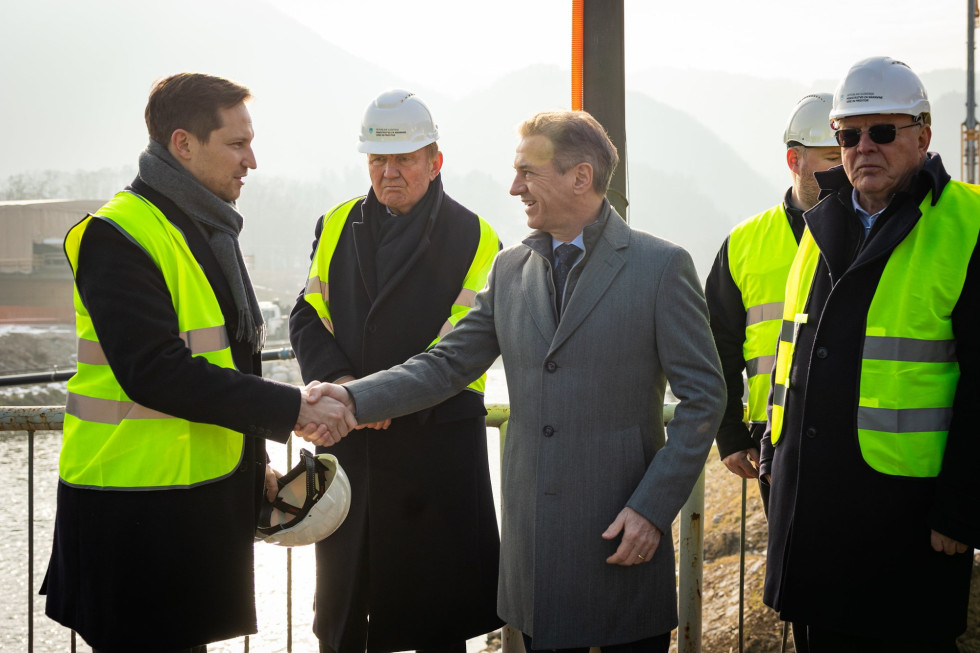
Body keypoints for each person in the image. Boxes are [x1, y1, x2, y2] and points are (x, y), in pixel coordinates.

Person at [308, 110, 726, 652]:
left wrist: (652, 508)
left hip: (622, 537)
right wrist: (349, 398)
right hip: (535, 560)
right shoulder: (509, 270)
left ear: (580, 177)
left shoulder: (661, 267)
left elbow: (703, 398)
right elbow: (445, 365)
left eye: (527, 173)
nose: (514, 187)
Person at [40, 72, 354, 653]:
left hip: (192, 504)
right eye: (236, 144)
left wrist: (251, 459)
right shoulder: (117, 235)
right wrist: (293, 407)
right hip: (131, 512)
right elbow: (155, 371)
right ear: (183, 144)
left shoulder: (201, 228)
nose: (251, 161)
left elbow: (228, 360)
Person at [760, 57, 980, 652]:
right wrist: (771, 453)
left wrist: (961, 509)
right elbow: (794, 352)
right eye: (848, 135)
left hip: (906, 522)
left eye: (883, 131)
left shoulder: (968, 224)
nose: (864, 148)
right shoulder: (821, 221)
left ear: (922, 136)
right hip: (814, 516)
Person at [288, 89, 503, 653]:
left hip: (432, 461)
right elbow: (309, 313)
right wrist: (347, 391)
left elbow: (459, 349)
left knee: (435, 626)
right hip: (351, 459)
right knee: (342, 625)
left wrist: (369, 400)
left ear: (434, 161)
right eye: (378, 160)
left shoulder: (477, 238)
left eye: (404, 159)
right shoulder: (336, 222)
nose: (389, 173)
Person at [706, 93, 839, 508]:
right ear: (794, 160)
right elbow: (716, 346)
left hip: (859, 435)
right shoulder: (744, 244)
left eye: (847, 152)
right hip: (776, 437)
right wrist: (729, 433)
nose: (845, 167)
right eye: (831, 156)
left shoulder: (880, 234)